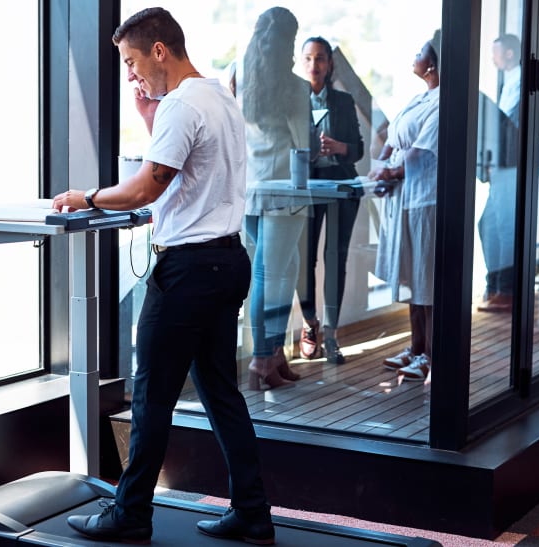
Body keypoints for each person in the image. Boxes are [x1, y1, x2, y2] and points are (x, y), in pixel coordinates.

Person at [53, 8, 276, 545]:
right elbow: (190, 171)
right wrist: (150, 118)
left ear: (159, 51)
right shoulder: (218, 95)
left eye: (131, 61)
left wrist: (85, 197)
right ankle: (252, 513)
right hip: (227, 261)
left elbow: (145, 190)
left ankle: (129, 515)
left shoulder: (182, 104)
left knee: (152, 393)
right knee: (222, 392)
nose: (130, 73)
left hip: (189, 271)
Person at [241, 7, 316, 388]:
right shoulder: (294, 87)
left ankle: (274, 354)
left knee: (277, 271)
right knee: (273, 275)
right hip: (285, 192)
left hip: (251, 192)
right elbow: (305, 146)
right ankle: (261, 361)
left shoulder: (240, 77)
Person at [370, 30, 441, 382]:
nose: (414, 56)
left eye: (419, 53)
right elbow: (393, 134)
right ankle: (415, 347)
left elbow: (421, 153)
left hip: (425, 198)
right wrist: (381, 166)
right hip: (404, 198)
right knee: (414, 277)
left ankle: (430, 354)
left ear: (432, 64)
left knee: (426, 279)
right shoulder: (419, 98)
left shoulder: (446, 101)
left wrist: (391, 171)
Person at [295, 37, 365, 364]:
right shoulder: (292, 99)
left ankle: (333, 335)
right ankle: (311, 326)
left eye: (320, 58)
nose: (314, 65)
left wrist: (339, 148)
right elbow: (284, 144)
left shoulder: (343, 100)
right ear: (301, 61)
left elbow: (359, 148)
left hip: (341, 189)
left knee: (335, 259)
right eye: (308, 58)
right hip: (306, 190)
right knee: (304, 262)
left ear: (329, 63)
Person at [477, 33, 521, 313]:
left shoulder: (522, 84)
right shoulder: (508, 83)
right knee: (487, 225)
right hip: (501, 165)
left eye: (495, 53)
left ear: (507, 54)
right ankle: (495, 285)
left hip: (510, 167)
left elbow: (510, 129)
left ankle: (506, 290)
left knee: (504, 228)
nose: (492, 59)